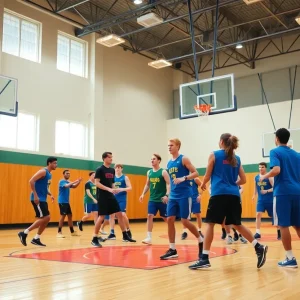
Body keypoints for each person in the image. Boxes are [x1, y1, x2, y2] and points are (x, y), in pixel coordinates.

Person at [189, 133, 268, 270]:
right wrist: (232, 184)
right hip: (234, 195)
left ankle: (204, 258)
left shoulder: (214, 154)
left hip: (219, 194)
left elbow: (207, 175)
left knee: (210, 224)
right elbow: (243, 180)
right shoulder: (236, 158)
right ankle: (258, 246)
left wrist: (203, 184)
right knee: (236, 224)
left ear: (221, 142)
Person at [259, 128, 300, 268]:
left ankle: (290, 258)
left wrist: (264, 176)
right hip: (297, 192)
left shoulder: (275, 151)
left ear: (276, 138)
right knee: (298, 225)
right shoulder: (296, 154)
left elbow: (276, 170)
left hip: (283, 192)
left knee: (283, 225)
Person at [160, 139, 203, 260]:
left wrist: (183, 178)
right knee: (169, 219)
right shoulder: (168, 163)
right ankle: (172, 249)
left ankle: (200, 240)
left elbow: (196, 173)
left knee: (185, 222)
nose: (169, 147)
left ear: (178, 146)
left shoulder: (184, 159)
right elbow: (171, 181)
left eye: (171, 145)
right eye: (168, 145)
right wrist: (167, 195)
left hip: (185, 194)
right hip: (173, 195)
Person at [91, 152, 136, 247]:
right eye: (109, 157)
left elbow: (112, 183)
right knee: (101, 217)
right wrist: (108, 189)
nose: (111, 159)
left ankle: (125, 235)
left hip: (111, 196)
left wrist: (114, 188)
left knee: (119, 214)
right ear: (104, 158)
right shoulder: (99, 169)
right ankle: (94, 238)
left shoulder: (112, 170)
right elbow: (97, 183)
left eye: (111, 157)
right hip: (102, 196)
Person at [18, 157, 57, 247]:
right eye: (54, 163)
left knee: (46, 219)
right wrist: (35, 195)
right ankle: (24, 233)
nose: (56, 165)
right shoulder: (43, 171)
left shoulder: (49, 174)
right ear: (49, 163)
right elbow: (31, 181)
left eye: (56, 163)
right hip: (37, 199)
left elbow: (44, 187)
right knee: (46, 218)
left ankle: (36, 238)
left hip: (43, 199)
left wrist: (50, 194)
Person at [139, 154, 170, 245]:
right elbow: (147, 184)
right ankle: (149, 237)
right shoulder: (149, 172)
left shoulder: (163, 172)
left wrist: (167, 195)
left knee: (165, 218)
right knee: (149, 216)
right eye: (151, 159)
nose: (152, 160)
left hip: (162, 199)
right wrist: (142, 194)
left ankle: (172, 232)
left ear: (159, 161)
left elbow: (169, 184)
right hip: (152, 199)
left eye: (154, 159)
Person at [252, 162, 281, 240]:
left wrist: (267, 191)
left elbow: (274, 188)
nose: (261, 168)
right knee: (258, 214)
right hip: (261, 200)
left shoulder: (269, 177)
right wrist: (254, 195)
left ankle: (279, 232)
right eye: (260, 167)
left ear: (265, 168)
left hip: (270, 200)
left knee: (273, 217)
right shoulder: (256, 177)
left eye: (262, 167)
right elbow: (255, 188)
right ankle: (257, 233)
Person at [106, 164, 133, 240]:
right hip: (113, 198)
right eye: (116, 168)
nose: (117, 169)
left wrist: (121, 189)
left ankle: (128, 230)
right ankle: (112, 233)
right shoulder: (112, 177)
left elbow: (130, 188)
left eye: (119, 167)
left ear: (122, 169)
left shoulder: (125, 177)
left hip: (121, 199)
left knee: (123, 215)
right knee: (111, 215)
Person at [57, 170, 82, 238]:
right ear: (64, 174)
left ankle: (72, 232)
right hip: (62, 201)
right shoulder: (62, 181)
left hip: (66, 202)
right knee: (63, 216)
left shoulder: (68, 181)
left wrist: (79, 182)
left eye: (69, 174)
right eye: (67, 173)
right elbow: (66, 186)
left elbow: (74, 186)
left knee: (70, 216)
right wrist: (75, 181)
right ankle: (59, 232)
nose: (68, 174)